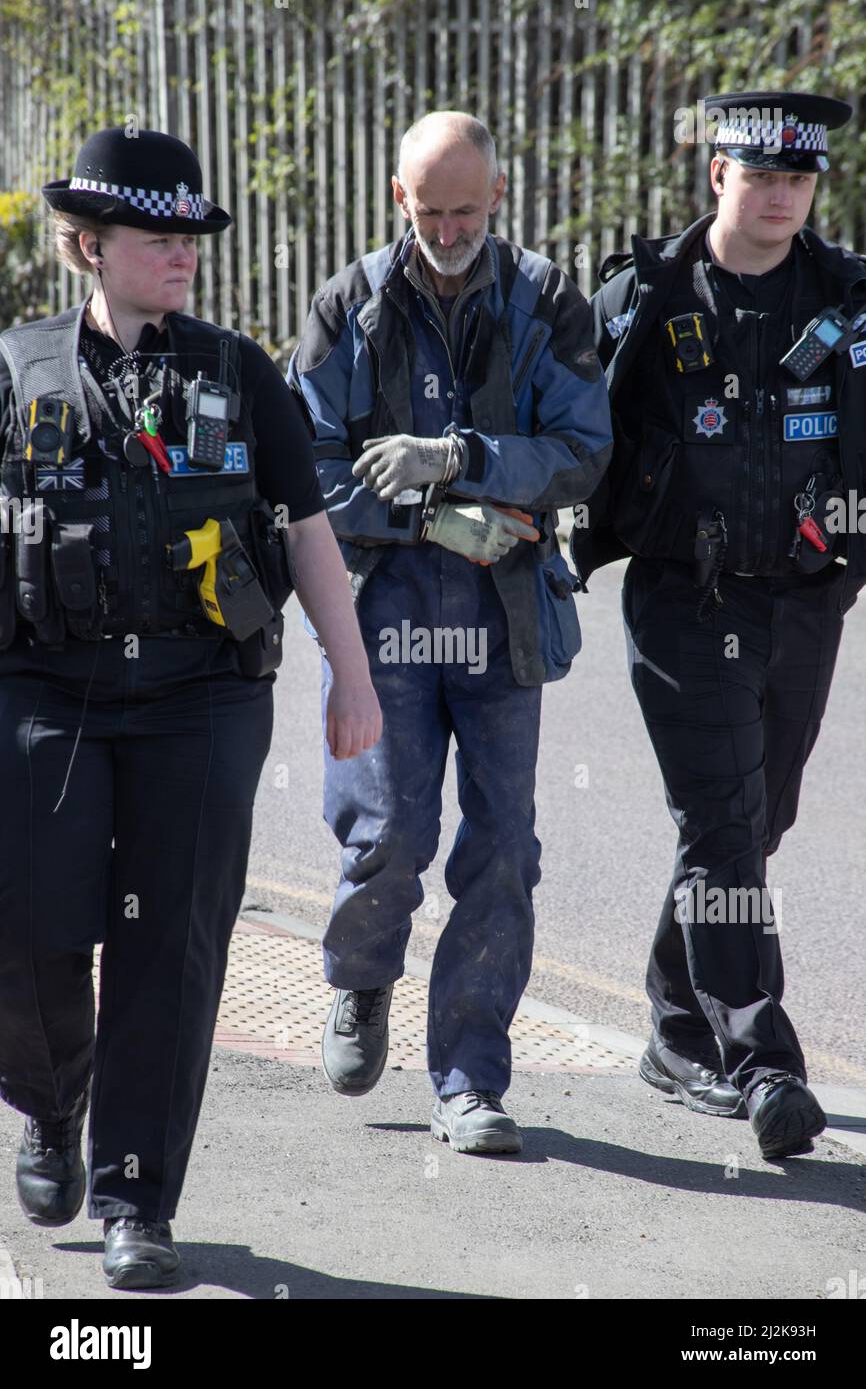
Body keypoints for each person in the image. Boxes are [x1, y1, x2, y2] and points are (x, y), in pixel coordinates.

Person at [0, 127, 381, 1289]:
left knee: (171, 948)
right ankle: (52, 1103)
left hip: (199, 697)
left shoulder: (238, 370)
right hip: (45, 690)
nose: (182, 255)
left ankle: (134, 1200)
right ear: (88, 245)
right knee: (27, 933)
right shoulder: (16, 370)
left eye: (190, 237)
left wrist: (350, 675)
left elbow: (307, 529)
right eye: (157, 238)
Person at [289, 110, 612, 1155]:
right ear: (398, 200)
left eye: (465, 210)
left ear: (498, 195)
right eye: (428, 211)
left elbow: (581, 450)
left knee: (503, 849)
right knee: (387, 833)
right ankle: (360, 976)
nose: (447, 228)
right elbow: (311, 474)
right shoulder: (349, 305)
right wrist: (433, 508)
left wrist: (463, 455)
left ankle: (470, 1075)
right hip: (381, 603)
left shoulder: (545, 301)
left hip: (504, 611)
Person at [572, 90, 865, 1159]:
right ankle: (761, 1060)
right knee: (720, 827)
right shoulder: (642, 297)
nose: (781, 194)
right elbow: (571, 428)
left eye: (798, 178)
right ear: (717, 177)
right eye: (760, 175)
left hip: (804, 595)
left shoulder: (847, 298)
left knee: (754, 823)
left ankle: (674, 1024)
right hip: (682, 601)